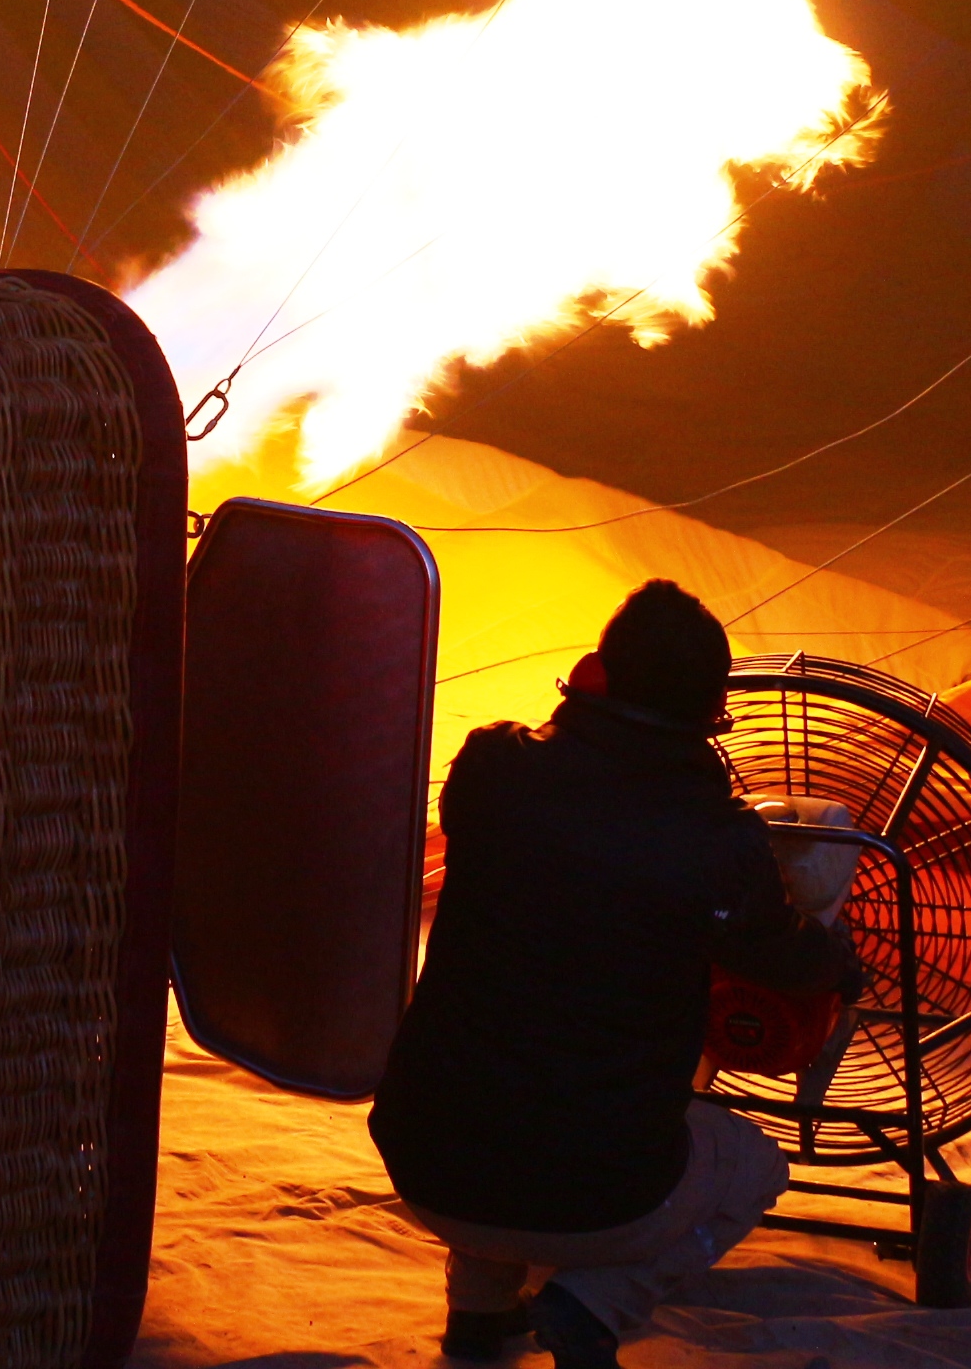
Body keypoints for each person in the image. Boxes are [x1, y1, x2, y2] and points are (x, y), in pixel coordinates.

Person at [369, 581, 861, 1365]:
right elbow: (786, 959)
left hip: (422, 1154)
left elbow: (574, 833)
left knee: (504, 1078)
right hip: (592, 1189)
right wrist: (840, 958)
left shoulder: (489, 768)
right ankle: (589, 1305)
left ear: (593, 674)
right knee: (752, 1164)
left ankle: (480, 1315)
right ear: (712, 715)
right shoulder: (715, 842)